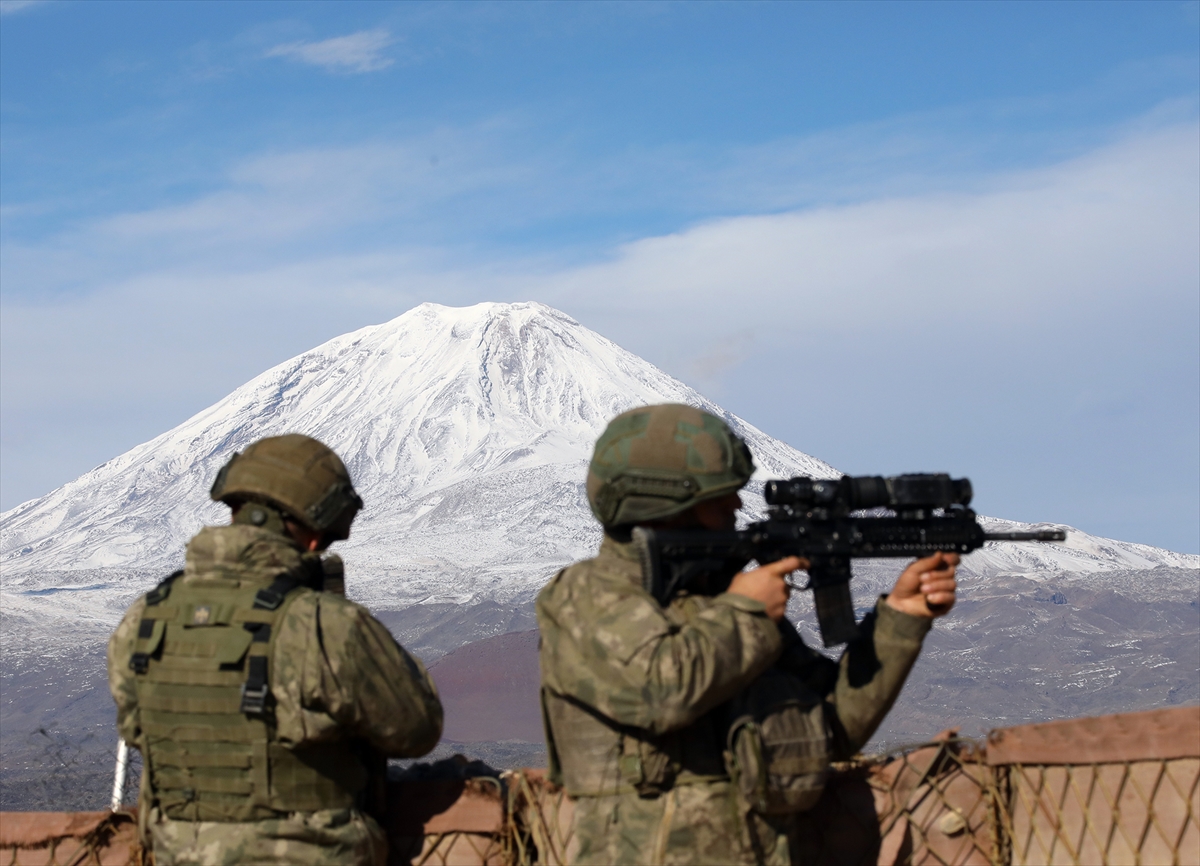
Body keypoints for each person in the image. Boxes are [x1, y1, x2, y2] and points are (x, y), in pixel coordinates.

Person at [536, 404, 958, 865]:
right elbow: (659, 692)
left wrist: (902, 617)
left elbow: (834, 728)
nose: (738, 505)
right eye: (719, 496)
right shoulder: (583, 598)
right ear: (662, 503)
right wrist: (745, 613)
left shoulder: (725, 602)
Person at [107, 434, 443, 866]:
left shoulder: (144, 620)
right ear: (312, 530)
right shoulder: (320, 624)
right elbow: (416, 728)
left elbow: (136, 728)